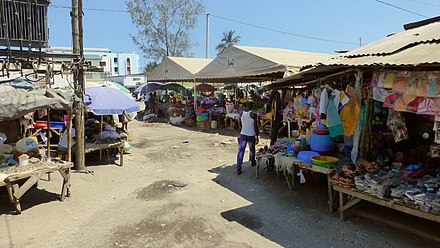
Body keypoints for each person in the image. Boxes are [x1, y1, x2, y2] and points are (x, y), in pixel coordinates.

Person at [236, 101, 259, 175]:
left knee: (241, 151)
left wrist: (243, 129)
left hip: (243, 134)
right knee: (252, 149)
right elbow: (256, 127)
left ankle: (238, 167)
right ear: (252, 106)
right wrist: (257, 136)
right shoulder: (253, 114)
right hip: (251, 134)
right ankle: (253, 161)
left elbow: (240, 124)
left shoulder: (241, 113)